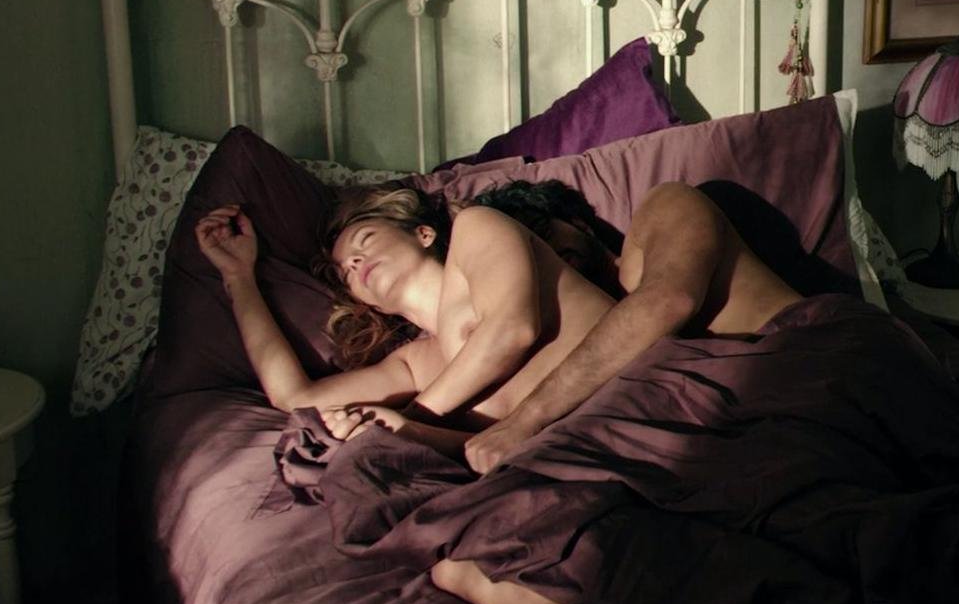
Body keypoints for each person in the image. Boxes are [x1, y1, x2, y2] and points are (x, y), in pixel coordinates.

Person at [194, 184, 617, 457]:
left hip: (629, 393)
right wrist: (238, 277)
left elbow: (512, 331)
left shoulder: (477, 228)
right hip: (575, 453)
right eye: (345, 271)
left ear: (423, 234)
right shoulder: (415, 364)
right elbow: (294, 397)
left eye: (365, 240)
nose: (354, 261)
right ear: (371, 305)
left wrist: (416, 417)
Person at [460, 181, 804, 474]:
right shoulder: (576, 347)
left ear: (578, 223)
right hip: (732, 431)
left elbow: (670, 299)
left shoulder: (664, 204)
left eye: (541, 231)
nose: (546, 250)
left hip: (794, 359)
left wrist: (526, 420)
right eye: (530, 253)